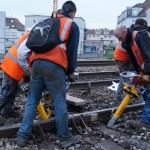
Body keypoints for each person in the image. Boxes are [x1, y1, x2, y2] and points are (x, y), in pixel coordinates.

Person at [17, 1, 81, 148]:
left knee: (32, 101)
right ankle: (65, 138)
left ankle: (21, 136)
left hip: (36, 63)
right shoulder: (71, 24)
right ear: (72, 13)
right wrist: (70, 71)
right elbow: (71, 52)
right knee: (59, 102)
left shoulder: (47, 22)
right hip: (54, 65)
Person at [114, 18, 150, 128]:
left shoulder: (139, 36)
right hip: (146, 68)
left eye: (119, 37)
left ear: (125, 32)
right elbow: (134, 60)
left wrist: (146, 74)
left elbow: (148, 56)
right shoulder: (127, 42)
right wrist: (137, 74)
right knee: (145, 91)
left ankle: (145, 121)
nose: (119, 40)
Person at [0, 29, 31, 117]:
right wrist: (26, 69)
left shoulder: (33, 33)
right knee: (6, 93)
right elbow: (21, 53)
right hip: (13, 67)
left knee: (12, 90)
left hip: (14, 66)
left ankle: (7, 111)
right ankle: (6, 110)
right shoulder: (35, 36)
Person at [113, 41, 131, 106]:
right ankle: (129, 99)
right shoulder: (138, 34)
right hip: (122, 58)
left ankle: (118, 98)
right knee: (127, 80)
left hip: (120, 57)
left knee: (124, 79)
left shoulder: (130, 32)